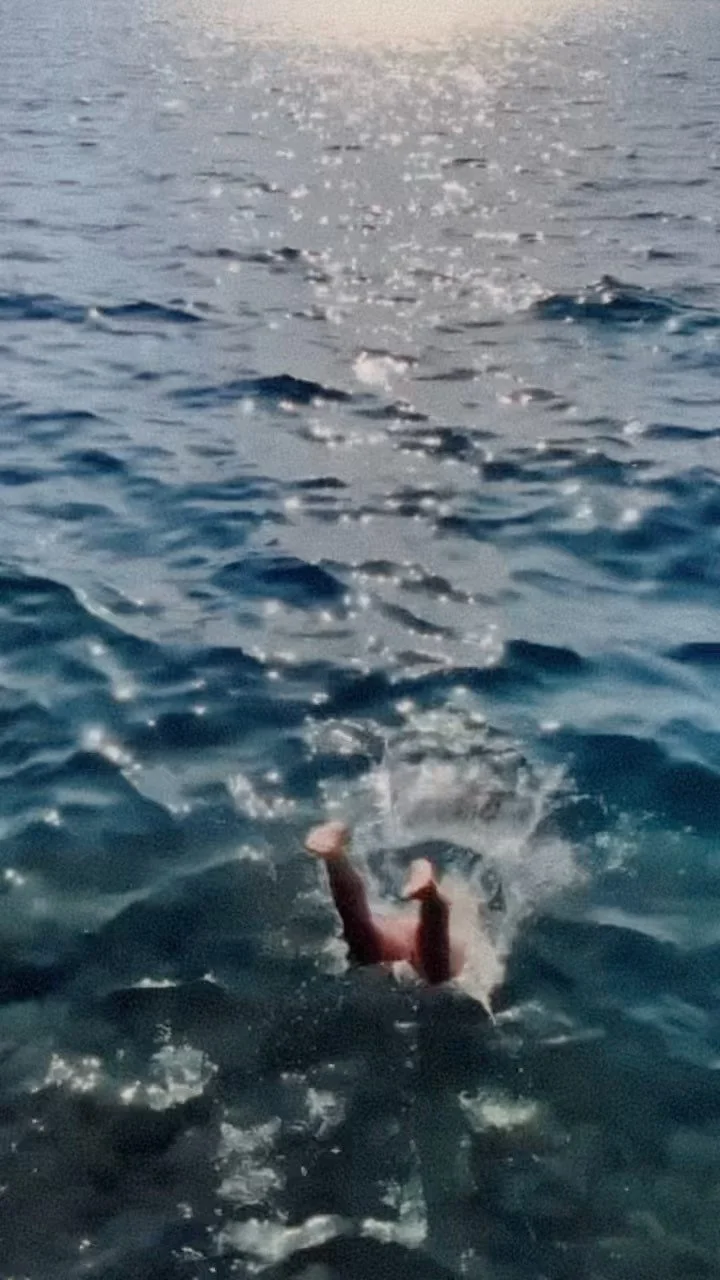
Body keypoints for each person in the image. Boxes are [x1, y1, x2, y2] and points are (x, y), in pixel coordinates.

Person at [305, 820, 465, 984]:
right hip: (433, 935)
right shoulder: (463, 910)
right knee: (436, 971)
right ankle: (432, 900)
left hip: (403, 928)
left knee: (363, 938)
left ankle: (335, 858)